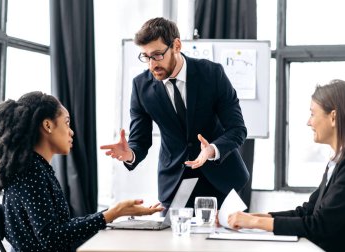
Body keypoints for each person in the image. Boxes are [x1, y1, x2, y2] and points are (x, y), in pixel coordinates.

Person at [101, 17, 249, 211]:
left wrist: (211, 149)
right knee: (174, 237)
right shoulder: (141, 86)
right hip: (175, 183)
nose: (152, 64)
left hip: (220, 179)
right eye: (146, 57)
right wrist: (130, 154)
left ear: (176, 45)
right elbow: (140, 140)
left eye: (157, 55)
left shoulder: (212, 74)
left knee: (220, 238)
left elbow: (237, 129)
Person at [0, 91, 163, 252]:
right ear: (48, 125)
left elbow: (59, 228)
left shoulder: (35, 168)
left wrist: (115, 212)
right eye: (66, 122)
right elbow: (52, 237)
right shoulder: (31, 172)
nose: (71, 132)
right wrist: (113, 213)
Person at [227, 79, 345, 252]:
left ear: (333, 117)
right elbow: (306, 212)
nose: (309, 122)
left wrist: (255, 222)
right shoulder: (338, 160)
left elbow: (320, 225)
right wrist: (249, 217)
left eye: (312, 114)